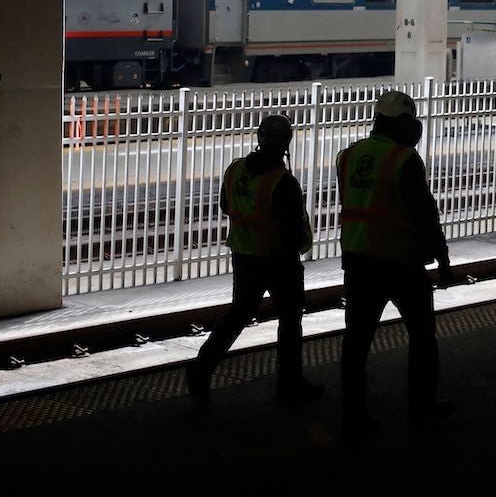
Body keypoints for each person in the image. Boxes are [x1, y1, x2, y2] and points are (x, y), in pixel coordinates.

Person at [336, 89, 456, 441]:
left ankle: (354, 415)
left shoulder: (349, 155)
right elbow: (424, 214)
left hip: (358, 261)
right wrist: (443, 257)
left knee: (356, 344)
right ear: (401, 124)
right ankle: (422, 408)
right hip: (400, 262)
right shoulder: (405, 159)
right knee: (422, 338)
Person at [186, 114, 325, 410]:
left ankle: (201, 368)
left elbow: (226, 205)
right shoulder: (283, 182)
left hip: (244, 256)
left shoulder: (236, 170)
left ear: (259, 137)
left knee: (238, 315)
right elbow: (293, 230)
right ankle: (289, 385)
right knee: (289, 321)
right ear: (287, 143)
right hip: (278, 260)